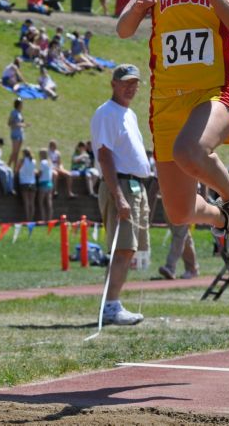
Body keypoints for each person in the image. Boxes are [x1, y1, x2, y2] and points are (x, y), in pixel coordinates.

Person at [116, 0, 229, 246]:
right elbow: (123, 29)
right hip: (166, 100)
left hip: (215, 91)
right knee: (178, 212)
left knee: (189, 150)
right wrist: (139, 7)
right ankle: (222, 218)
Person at [89, 64, 151, 325]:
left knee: (130, 250)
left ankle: (113, 303)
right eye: (125, 82)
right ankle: (111, 306)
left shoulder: (129, 114)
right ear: (113, 84)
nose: (131, 87)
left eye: (134, 83)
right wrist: (119, 195)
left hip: (135, 185)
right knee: (122, 249)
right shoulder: (107, 113)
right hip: (122, 185)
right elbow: (104, 156)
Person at [16, 147, 36, 221]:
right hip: (33, 182)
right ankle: (32, 219)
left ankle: (27, 219)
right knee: (32, 203)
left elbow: (17, 170)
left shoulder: (22, 160)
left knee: (26, 203)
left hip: (24, 182)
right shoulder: (33, 160)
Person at [7, 98, 27, 170]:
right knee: (14, 152)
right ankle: (8, 166)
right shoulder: (14, 112)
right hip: (15, 134)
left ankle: (15, 168)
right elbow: (10, 123)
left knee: (17, 153)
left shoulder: (19, 113)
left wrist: (23, 124)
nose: (22, 105)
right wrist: (21, 125)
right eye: (21, 104)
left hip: (20, 134)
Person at [36, 148, 54, 220]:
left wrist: (36, 174)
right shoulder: (50, 162)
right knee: (49, 202)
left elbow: (40, 173)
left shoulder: (42, 162)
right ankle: (50, 219)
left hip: (43, 183)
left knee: (41, 203)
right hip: (49, 183)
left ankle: (43, 219)